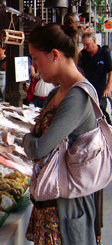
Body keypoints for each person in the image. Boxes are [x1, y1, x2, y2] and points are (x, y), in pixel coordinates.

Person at [24, 20, 98, 244]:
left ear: (54, 54)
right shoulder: (58, 91)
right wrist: (33, 139)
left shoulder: (77, 97)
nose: (34, 65)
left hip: (65, 208)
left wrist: (26, 138)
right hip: (49, 203)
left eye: (36, 58)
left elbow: (39, 148)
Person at [79, 32, 112, 124]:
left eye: (87, 44)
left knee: (101, 113)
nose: (86, 47)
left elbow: (110, 71)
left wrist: (108, 87)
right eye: (84, 44)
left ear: (94, 41)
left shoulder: (104, 54)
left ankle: (108, 131)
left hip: (100, 90)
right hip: (87, 90)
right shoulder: (83, 54)